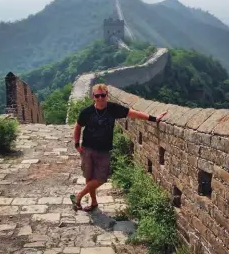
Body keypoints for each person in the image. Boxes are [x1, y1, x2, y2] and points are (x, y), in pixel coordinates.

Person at [71, 83, 167, 211]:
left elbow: (133, 114)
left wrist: (154, 118)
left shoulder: (112, 109)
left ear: (107, 95)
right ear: (93, 96)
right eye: (97, 95)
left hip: (104, 150)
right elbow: (78, 127)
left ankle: (79, 195)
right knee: (89, 177)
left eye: (103, 95)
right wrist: (77, 144)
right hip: (88, 148)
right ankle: (93, 202)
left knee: (101, 178)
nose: (100, 98)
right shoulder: (87, 112)